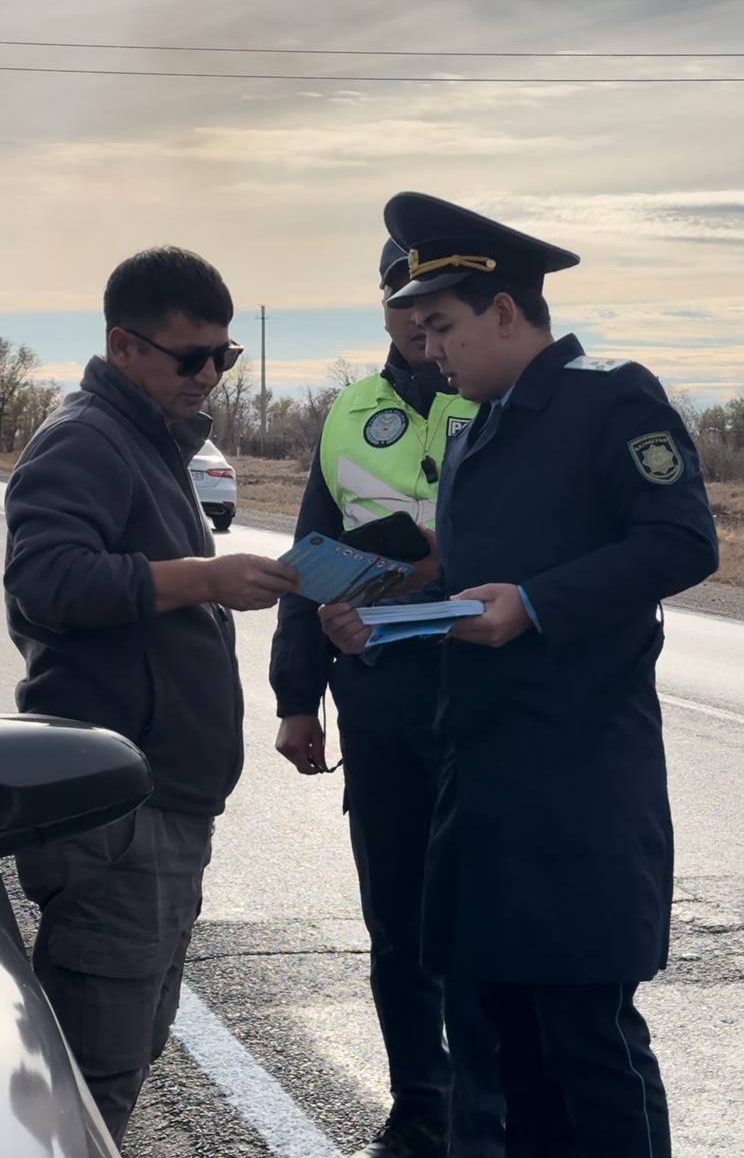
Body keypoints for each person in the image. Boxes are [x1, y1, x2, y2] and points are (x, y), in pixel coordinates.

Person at [320, 193, 719, 1158]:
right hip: (484, 781)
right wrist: (384, 606)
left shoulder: (609, 395)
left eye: (444, 327)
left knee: (587, 1047)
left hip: (576, 785)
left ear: (506, 311)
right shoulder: (474, 429)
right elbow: (467, 568)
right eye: (420, 330)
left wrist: (535, 604)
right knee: (506, 1048)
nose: (430, 349)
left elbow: (681, 540)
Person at [4, 246, 297, 1148]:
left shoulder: (153, 439)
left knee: (121, 1059)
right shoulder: (89, 437)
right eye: (190, 357)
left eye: (226, 357)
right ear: (123, 347)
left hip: (162, 807)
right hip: (119, 823)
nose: (211, 375)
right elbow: (43, 583)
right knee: (85, 1086)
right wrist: (201, 578)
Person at [270, 239, 505, 1157]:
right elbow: (308, 557)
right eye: (400, 297)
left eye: (434, 302)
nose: (417, 317)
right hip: (379, 701)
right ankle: (420, 1109)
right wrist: (298, 698)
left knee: (485, 916)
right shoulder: (346, 413)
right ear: (381, 304)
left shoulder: (495, 397)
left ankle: (490, 1115)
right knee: (397, 921)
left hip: (482, 689)